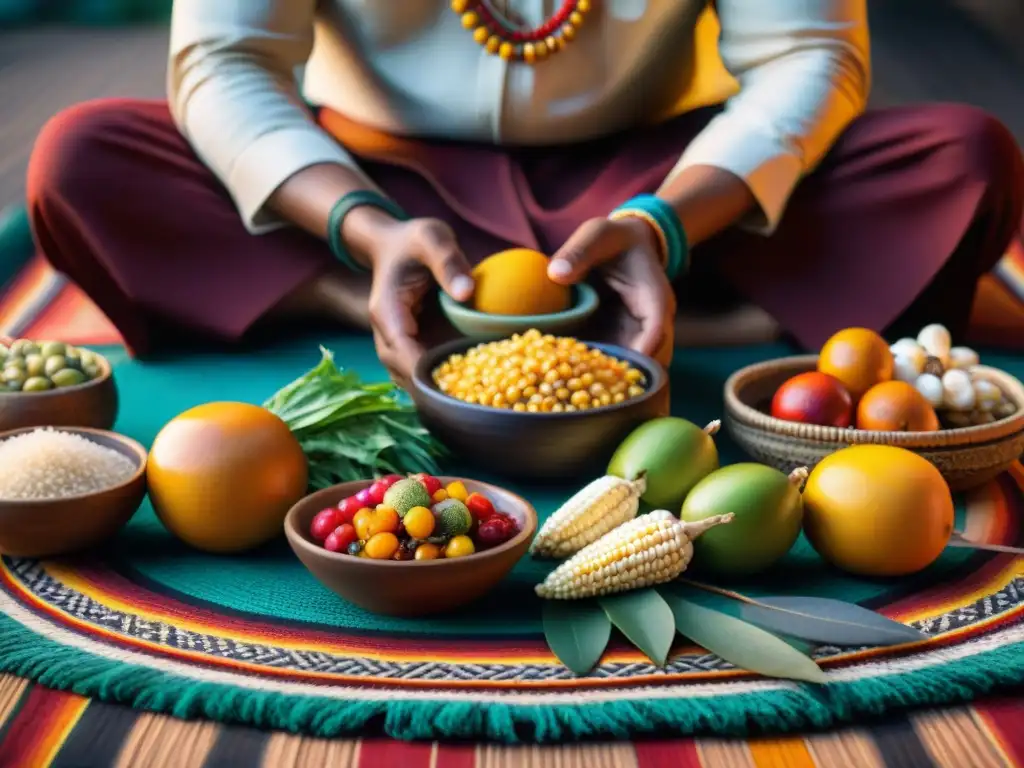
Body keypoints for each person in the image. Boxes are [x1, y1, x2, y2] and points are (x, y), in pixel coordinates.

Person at [27, 0, 1024, 387]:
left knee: (962, 161)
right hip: (371, 185)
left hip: (651, 188)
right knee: (85, 159)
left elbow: (807, 51)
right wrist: (362, 230)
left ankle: (641, 300)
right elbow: (225, 56)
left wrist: (667, 221)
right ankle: (382, 295)